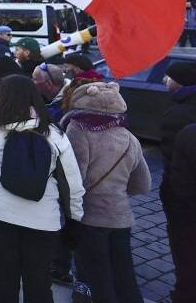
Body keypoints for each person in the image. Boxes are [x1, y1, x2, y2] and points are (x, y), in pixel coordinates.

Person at [0, 75, 85, 303]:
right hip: (42, 219)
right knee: (38, 280)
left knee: (2, 276)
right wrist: (74, 217)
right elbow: (71, 182)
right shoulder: (53, 132)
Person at [63, 81, 150, 303]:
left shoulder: (78, 128)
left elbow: (75, 178)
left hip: (90, 217)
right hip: (120, 217)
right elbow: (142, 184)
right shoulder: (129, 136)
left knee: (97, 275)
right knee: (124, 274)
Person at [160, 62, 196, 303]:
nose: (164, 81)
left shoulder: (178, 115)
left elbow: (176, 165)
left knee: (185, 253)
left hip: (184, 204)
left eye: (169, 77)